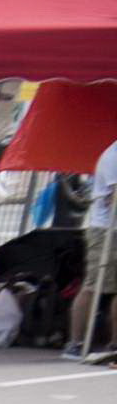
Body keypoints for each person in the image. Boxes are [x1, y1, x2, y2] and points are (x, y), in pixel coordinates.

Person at [74, 137, 117, 363]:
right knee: (93, 285)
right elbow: (113, 198)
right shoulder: (113, 155)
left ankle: (114, 343)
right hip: (105, 229)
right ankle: (76, 342)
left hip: (111, 228)